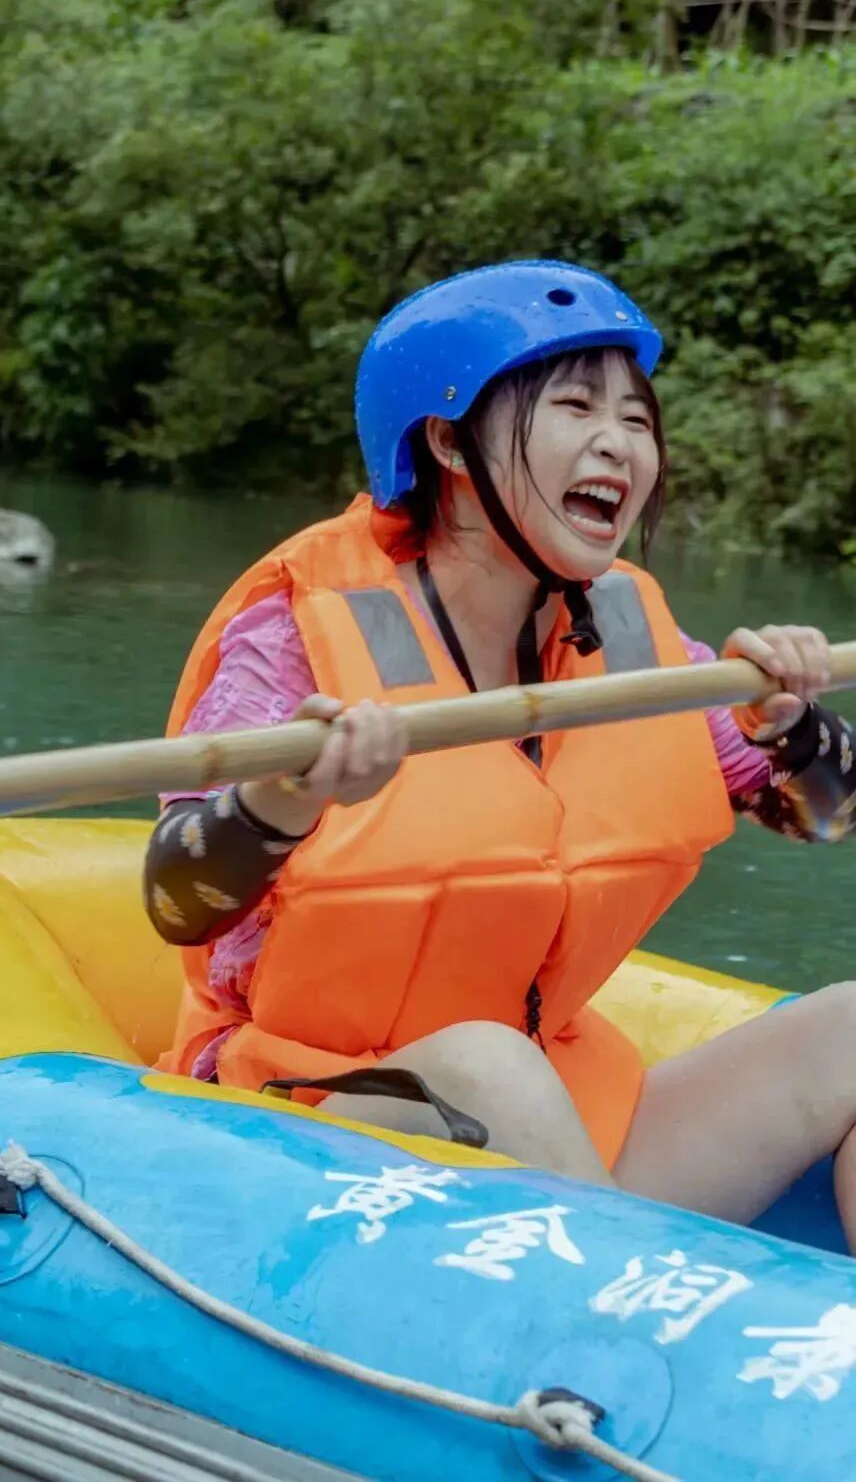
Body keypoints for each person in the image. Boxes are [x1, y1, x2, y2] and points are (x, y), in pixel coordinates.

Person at [144, 259, 856, 1246]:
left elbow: (828, 815)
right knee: (488, 1064)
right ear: (448, 442)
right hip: (303, 1115)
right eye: (575, 408)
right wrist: (285, 798)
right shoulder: (300, 630)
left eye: (637, 418)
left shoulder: (630, 639)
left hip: (549, 1112)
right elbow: (176, 901)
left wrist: (790, 725)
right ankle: (624, 1306)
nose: (619, 443)